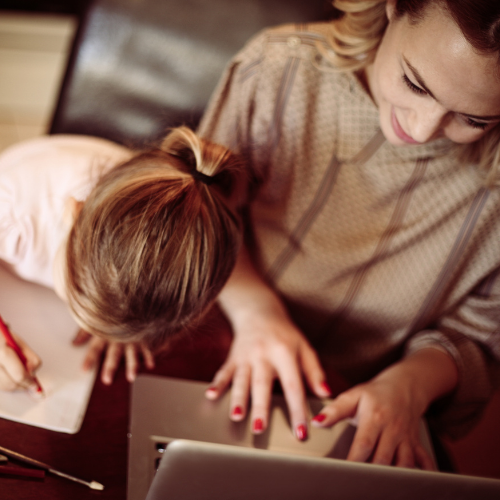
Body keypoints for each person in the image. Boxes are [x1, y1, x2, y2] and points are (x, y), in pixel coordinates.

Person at [198, 0, 500, 470]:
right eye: (414, 83)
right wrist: (255, 309)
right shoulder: (278, 73)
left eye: (475, 120)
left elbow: (478, 339)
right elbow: (200, 217)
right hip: (215, 340)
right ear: (393, 7)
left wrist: (409, 385)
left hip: (359, 414)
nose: (422, 130)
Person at [0, 126, 242, 392]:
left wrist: (120, 320)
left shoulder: (160, 200)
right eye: (73, 296)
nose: (82, 323)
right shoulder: (12, 210)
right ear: (73, 214)